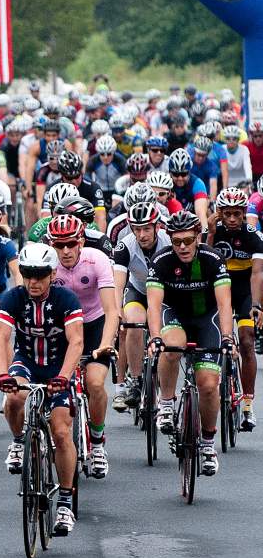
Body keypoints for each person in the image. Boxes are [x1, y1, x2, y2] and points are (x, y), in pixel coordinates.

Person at [0, 243, 83, 536]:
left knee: (60, 431)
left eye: (40, 275)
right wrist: (2, 374)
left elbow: (77, 342)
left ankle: (66, 503)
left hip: (59, 367)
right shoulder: (12, 298)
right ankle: (20, 441)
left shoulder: (66, 299)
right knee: (13, 397)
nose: (33, 281)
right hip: (27, 362)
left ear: (52, 274)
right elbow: (2, 339)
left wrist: (65, 376)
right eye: (27, 274)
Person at [146, 211, 233, 477]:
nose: (182, 247)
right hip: (175, 314)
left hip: (207, 319)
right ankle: (167, 404)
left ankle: (207, 444)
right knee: (171, 347)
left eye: (187, 240)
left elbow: (224, 303)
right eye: (176, 241)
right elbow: (153, 303)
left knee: (208, 385)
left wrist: (228, 338)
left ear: (198, 237)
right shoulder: (161, 260)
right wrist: (154, 336)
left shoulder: (212, 259)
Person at [47, 214, 118, 478]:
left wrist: (106, 344)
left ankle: (97, 442)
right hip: (62, 326)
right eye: (58, 245)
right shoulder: (49, 264)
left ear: (81, 241)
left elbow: (112, 311)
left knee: (96, 383)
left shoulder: (96, 259)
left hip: (94, 323)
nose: (65, 251)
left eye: (70, 244)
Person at [207, 187, 263, 431]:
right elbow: (202, 262)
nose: (231, 219)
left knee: (247, 340)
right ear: (220, 213)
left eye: (237, 214)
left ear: (244, 213)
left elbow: (258, 274)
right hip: (218, 288)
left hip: (244, 290)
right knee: (214, 336)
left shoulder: (254, 236)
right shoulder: (213, 230)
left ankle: (248, 405)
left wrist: (256, 305)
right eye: (227, 214)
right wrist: (209, 234)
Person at [112, 202, 171, 411]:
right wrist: (117, 310)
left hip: (166, 293)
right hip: (138, 290)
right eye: (137, 229)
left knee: (167, 333)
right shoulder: (125, 246)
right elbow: (117, 283)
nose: (142, 234)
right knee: (133, 324)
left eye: (147, 228)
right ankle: (136, 381)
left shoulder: (169, 240)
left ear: (157, 226)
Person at [46, 151, 106, 232]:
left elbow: (100, 217)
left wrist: (99, 239)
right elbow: (45, 216)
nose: (74, 181)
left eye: (77, 176)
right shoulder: (52, 189)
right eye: (69, 178)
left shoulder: (93, 187)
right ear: (62, 175)